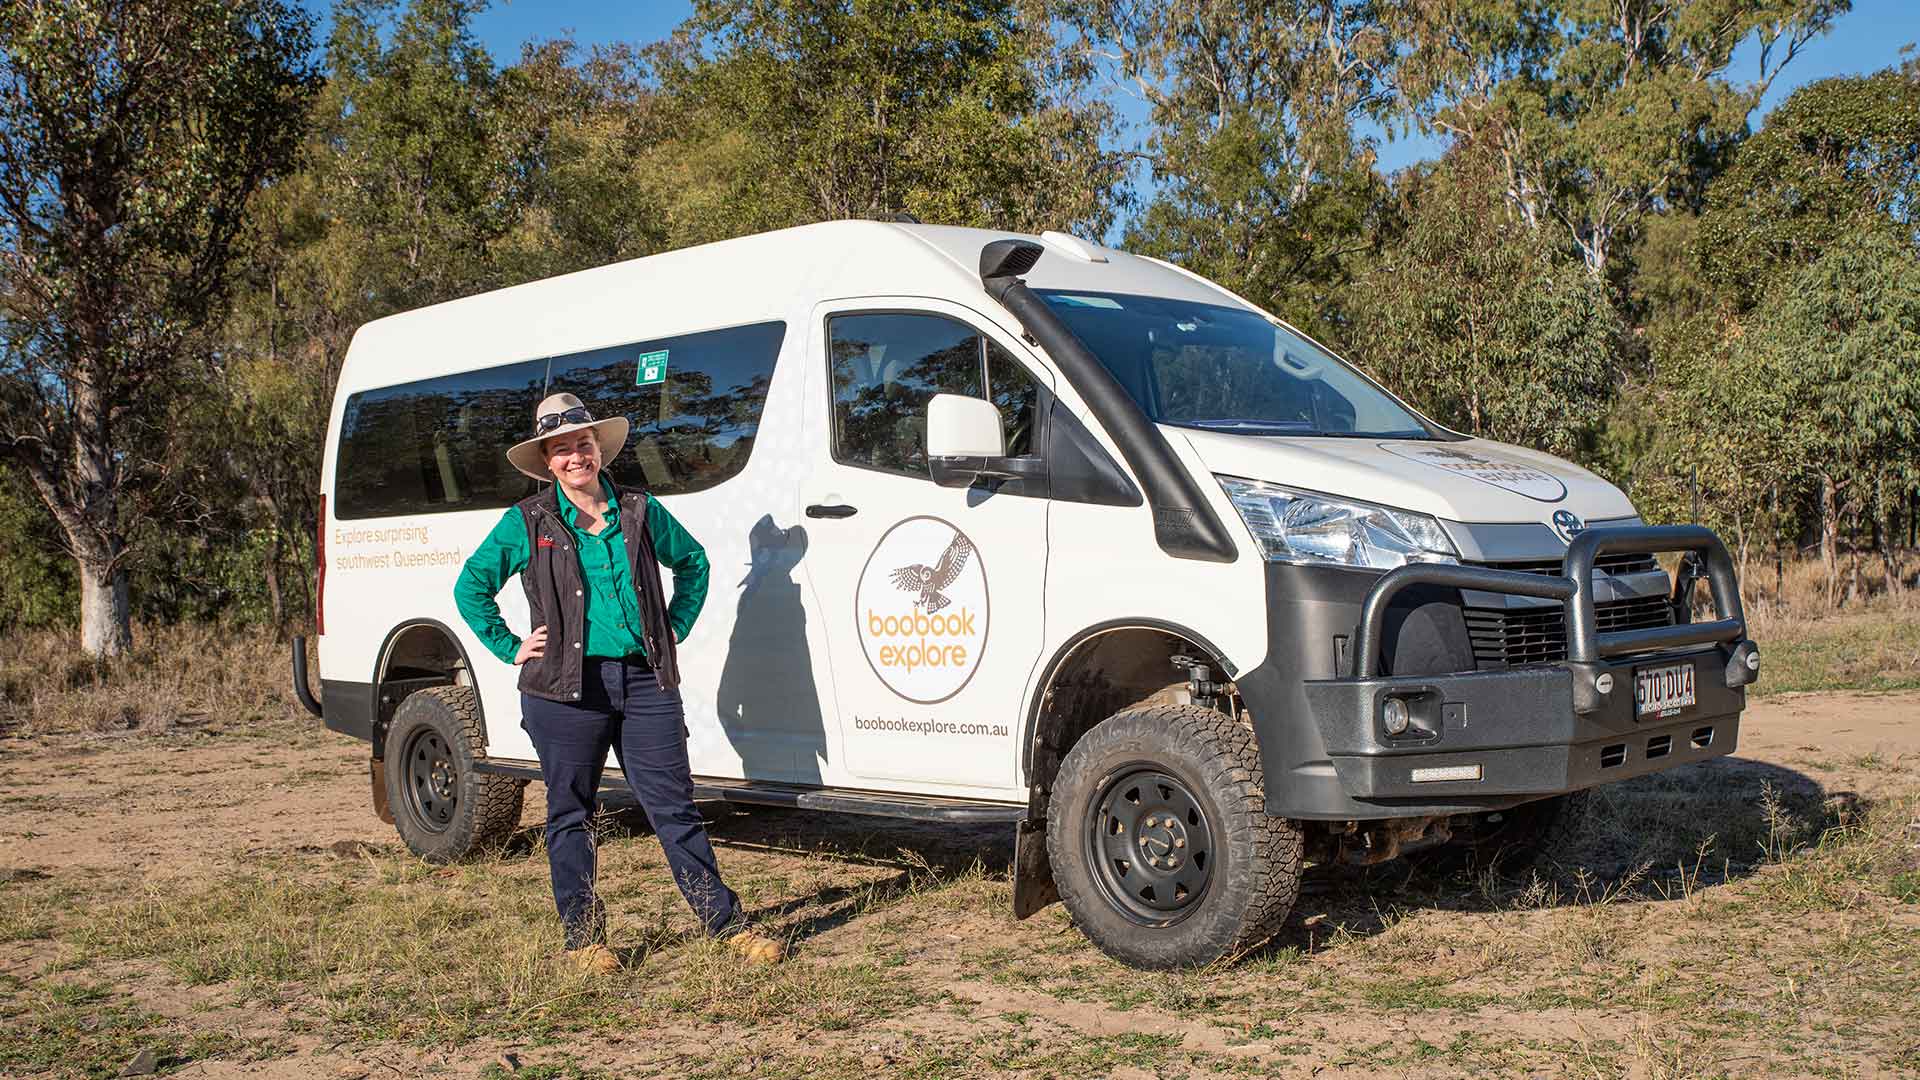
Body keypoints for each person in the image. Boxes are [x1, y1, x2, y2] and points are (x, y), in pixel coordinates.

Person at [453, 391, 783, 972]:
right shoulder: (527, 521)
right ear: (547, 461)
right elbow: (471, 589)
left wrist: (672, 626)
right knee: (571, 813)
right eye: (561, 450)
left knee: (674, 807)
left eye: (583, 444)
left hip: (645, 682)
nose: (575, 457)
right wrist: (511, 647)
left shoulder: (638, 509)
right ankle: (584, 941)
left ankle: (725, 925)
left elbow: (694, 563)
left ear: (598, 450)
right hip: (563, 692)